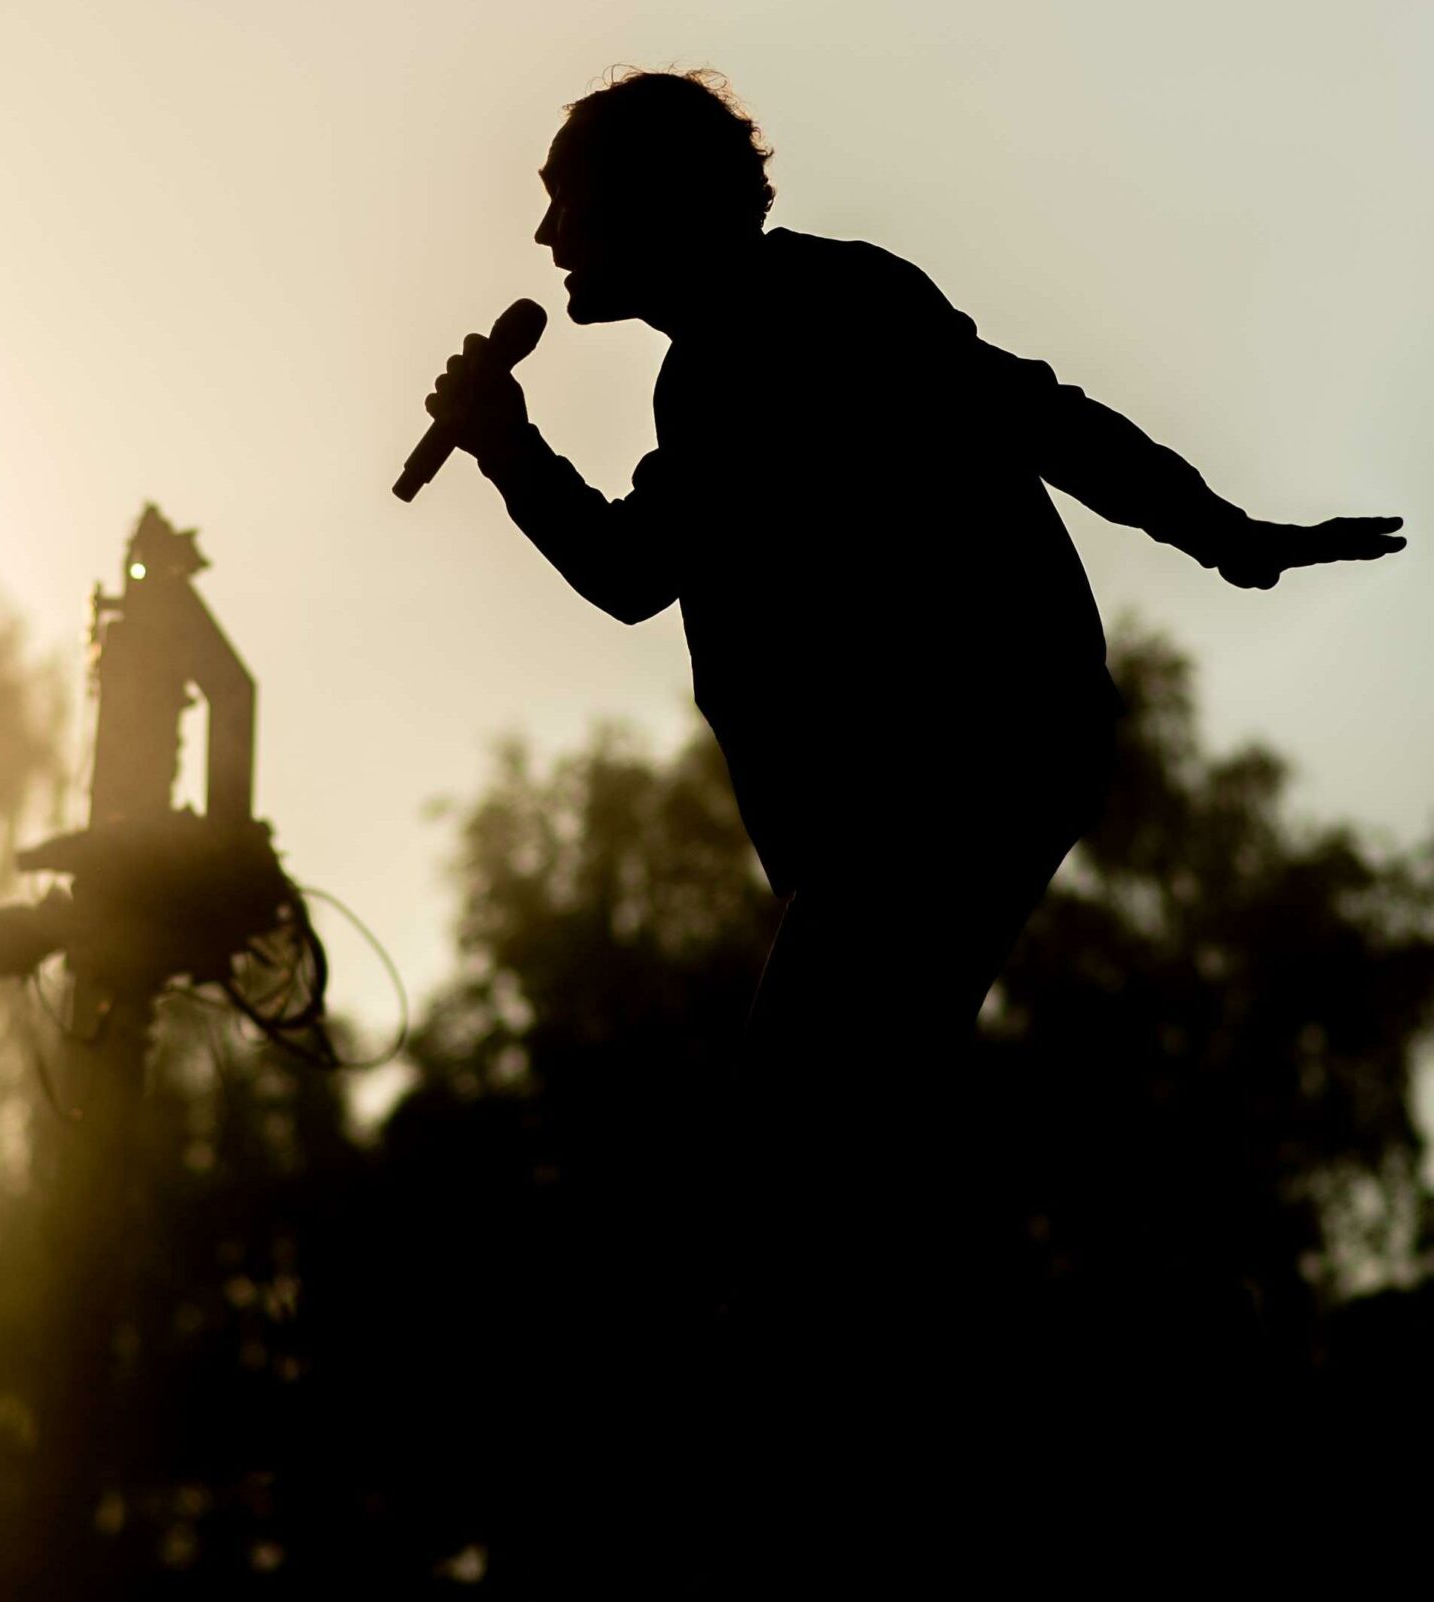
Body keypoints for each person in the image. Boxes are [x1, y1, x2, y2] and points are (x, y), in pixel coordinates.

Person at [419, 67, 1405, 1502]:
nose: (551, 241)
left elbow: (1030, 418)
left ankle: (841, 1435)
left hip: (960, 766)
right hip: (942, 786)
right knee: (858, 1131)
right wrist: (508, 451)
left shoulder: (816, 314)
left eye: (572, 205)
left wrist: (1224, 534)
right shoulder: (725, 365)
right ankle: (922, 1426)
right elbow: (643, 570)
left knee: (800, 1109)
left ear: (653, 205)